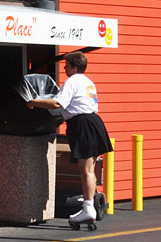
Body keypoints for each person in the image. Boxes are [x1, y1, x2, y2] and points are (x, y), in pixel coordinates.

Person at [27, 51, 113, 225]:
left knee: (86, 170)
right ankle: (89, 207)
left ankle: (88, 209)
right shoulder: (88, 82)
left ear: (74, 67)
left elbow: (58, 103)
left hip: (83, 124)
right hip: (93, 122)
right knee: (89, 168)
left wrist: (33, 102)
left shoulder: (72, 81)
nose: (64, 67)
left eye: (67, 65)